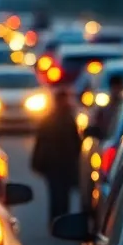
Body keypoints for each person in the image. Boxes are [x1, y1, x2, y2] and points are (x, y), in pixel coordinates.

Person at [31, 86, 83, 225]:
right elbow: (41, 142)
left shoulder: (63, 119)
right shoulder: (53, 120)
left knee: (60, 194)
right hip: (55, 164)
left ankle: (59, 221)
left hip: (62, 164)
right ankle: (58, 221)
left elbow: (75, 142)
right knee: (58, 194)